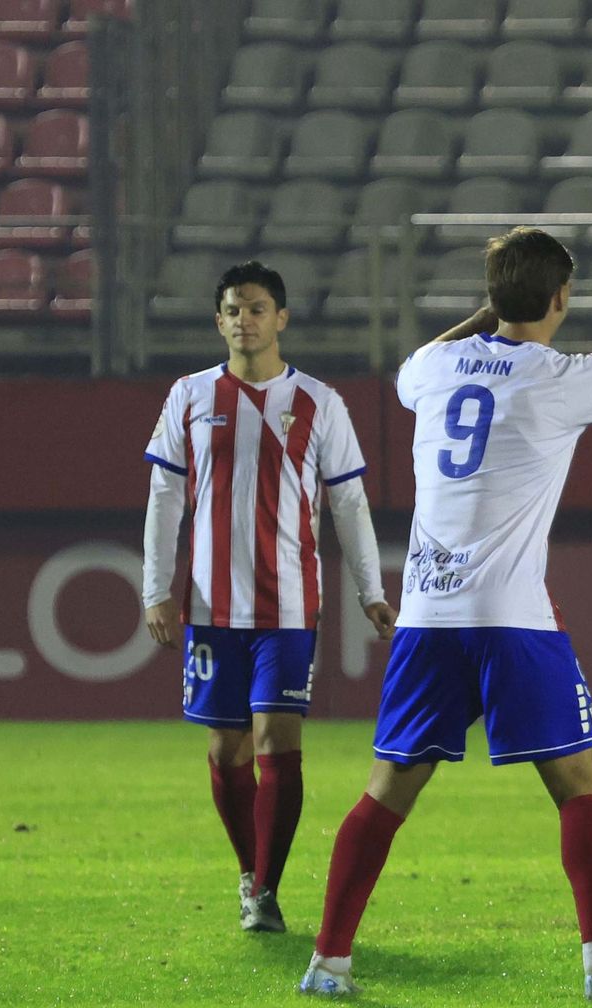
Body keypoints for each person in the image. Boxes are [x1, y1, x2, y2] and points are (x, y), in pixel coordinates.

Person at [297, 227, 592, 1002]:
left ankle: (329, 962)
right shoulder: (564, 375)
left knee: (387, 790)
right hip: (514, 619)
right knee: (579, 785)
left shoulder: (432, 367)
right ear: (562, 299)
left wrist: (487, 314)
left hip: (427, 615)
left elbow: (412, 363)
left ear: (491, 297)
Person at [142, 260, 397, 934]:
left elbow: (349, 502)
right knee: (226, 755)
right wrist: (155, 590)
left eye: (256, 308)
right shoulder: (190, 396)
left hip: (287, 609)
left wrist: (372, 590)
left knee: (275, 743)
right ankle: (250, 869)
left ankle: (267, 889)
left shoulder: (318, 402)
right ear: (219, 320)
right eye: (232, 309)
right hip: (207, 607)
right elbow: (165, 497)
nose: (243, 320)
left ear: (280, 318)